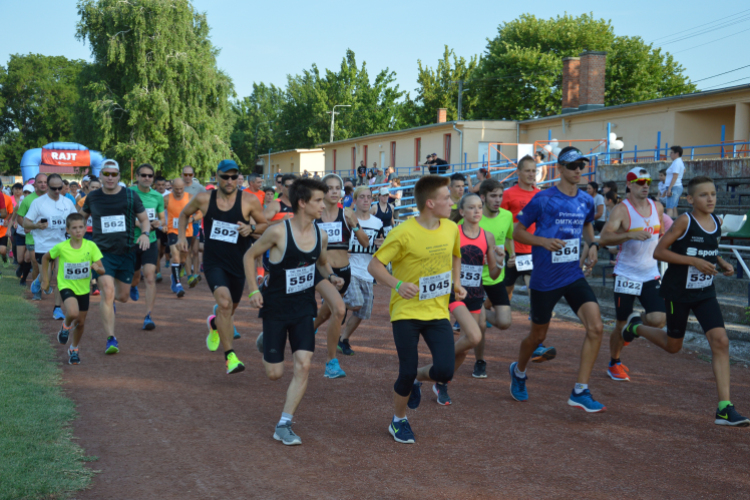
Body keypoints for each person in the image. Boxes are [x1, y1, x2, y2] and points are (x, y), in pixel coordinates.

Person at [621, 176, 749, 427]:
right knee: (673, 346)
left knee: (721, 341)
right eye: (703, 195)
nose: (710, 198)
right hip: (677, 292)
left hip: (704, 292)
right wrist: (693, 262)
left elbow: (710, 248)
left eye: (713, 194)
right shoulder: (684, 221)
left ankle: (725, 408)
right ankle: (635, 326)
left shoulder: (715, 221)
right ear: (690, 199)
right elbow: (660, 251)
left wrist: (720, 262)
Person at [243, 178, 343, 445]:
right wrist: (253, 290)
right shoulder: (278, 232)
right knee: (274, 374)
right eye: (318, 200)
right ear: (302, 203)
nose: (324, 204)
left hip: (302, 308)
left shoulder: (320, 235)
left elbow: (320, 262)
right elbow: (249, 256)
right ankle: (265, 341)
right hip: (275, 309)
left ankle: (284, 424)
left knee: (304, 364)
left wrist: (330, 276)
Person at [368, 175, 463, 444]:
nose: (451, 201)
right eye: (446, 197)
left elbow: (456, 255)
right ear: (430, 203)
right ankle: (398, 421)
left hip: (436, 311)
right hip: (406, 312)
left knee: (445, 371)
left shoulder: (451, 228)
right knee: (406, 370)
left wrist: (456, 281)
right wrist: (397, 284)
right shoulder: (403, 232)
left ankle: (418, 381)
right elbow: (374, 266)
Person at [510, 146, 604, 412]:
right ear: (559, 169)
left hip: (572, 274)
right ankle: (518, 371)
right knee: (537, 336)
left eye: (581, 166)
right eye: (572, 166)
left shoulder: (586, 200)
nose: (577, 171)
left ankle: (580, 390)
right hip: (545, 276)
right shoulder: (543, 199)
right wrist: (542, 241)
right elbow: (518, 232)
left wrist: (593, 244)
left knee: (596, 327)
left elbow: (588, 224)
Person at [178, 159, 268, 375]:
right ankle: (230, 357)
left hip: (238, 262)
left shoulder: (249, 200)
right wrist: (182, 236)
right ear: (216, 176)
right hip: (214, 261)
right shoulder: (203, 199)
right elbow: (184, 214)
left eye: (234, 176)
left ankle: (215, 322)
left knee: (229, 308)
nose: (230, 181)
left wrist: (251, 228)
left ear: (239, 177)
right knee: (226, 304)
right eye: (225, 176)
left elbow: (264, 225)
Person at [599, 168, 666, 382]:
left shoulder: (657, 207)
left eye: (648, 181)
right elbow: (604, 239)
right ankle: (614, 362)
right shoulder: (621, 210)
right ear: (629, 185)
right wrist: (629, 234)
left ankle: (634, 326)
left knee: (659, 319)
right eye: (639, 182)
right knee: (619, 324)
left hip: (650, 273)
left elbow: (662, 235)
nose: (645, 185)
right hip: (626, 275)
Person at [79, 159, 151, 355]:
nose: (110, 177)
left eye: (114, 174)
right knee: (107, 293)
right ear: (100, 175)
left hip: (127, 252)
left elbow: (144, 220)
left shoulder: (130, 195)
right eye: (106, 174)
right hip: (101, 253)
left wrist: (144, 234)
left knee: (122, 297)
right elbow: (80, 218)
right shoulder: (92, 197)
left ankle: (113, 303)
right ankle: (111, 338)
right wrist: (77, 240)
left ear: (119, 176)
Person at [440, 192, 503, 404]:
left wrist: (501, 263)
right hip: (453, 292)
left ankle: (442, 381)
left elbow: (493, 274)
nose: (477, 211)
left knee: (466, 346)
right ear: (461, 211)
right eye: (471, 207)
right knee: (472, 337)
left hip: (476, 294)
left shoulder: (488, 237)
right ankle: (438, 365)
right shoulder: (451, 232)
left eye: (479, 207)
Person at [501, 156, 556, 362]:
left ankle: (537, 344)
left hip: (534, 253)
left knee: (536, 295)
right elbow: (504, 227)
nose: (532, 174)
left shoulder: (541, 195)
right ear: (519, 172)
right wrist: (510, 251)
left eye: (534, 171)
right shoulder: (508, 195)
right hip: (512, 253)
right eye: (528, 171)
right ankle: (479, 313)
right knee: (502, 301)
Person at [312, 174, 368, 378]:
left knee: (327, 313)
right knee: (338, 310)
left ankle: (310, 329)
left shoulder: (347, 214)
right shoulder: (313, 215)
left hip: (343, 273)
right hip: (320, 272)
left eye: (338, 188)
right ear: (322, 191)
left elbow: (365, 242)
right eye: (330, 188)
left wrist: (354, 224)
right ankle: (331, 362)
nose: (335, 191)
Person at [41, 213, 105, 365]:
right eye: (74, 228)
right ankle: (65, 326)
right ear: (68, 230)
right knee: (73, 312)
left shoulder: (91, 246)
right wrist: (46, 279)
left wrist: (97, 267)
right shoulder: (62, 247)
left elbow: (102, 270)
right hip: (66, 285)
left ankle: (74, 349)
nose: (78, 231)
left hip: (83, 289)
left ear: (85, 228)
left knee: (81, 323)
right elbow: (45, 258)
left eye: (81, 227)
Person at [473, 179, 514, 378]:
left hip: (497, 276)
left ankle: (480, 313)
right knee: (480, 325)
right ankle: (480, 361)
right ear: (483, 197)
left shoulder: (507, 216)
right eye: (493, 196)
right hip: (475, 279)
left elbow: (508, 236)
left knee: (505, 322)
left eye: (500, 196)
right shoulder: (474, 218)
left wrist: (511, 254)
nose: (498, 200)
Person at [338, 186, 384, 355]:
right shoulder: (345, 219)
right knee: (357, 302)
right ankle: (338, 306)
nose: (366, 200)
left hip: (367, 271)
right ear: (355, 200)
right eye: (362, 197)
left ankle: (343, 339)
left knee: (364, 311)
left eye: (369, 197)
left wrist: (381, 246)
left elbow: (379, 246)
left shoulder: (377, 223)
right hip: (350, 269)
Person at [24, 173, 79, 318]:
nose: (57, 191)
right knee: (46, 282)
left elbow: (75, 219)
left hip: (62, 245)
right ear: (47, 187)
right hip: (43, 245)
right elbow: (25, 222)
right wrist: (36, 225)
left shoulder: (67, 203)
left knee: (60, 277)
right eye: (53, 188)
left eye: (59, 188)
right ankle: (39, 280)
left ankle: (57, 308)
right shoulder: (38, 203)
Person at [128, 164, 166, 330]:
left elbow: (162, 219)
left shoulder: (157, 196)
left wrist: (158, 223)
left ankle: (148, 315)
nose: (147, 178)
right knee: (135, 277)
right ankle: (134, 286)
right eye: (143, 175)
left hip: (150, 240)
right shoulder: (128, 193)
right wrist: (142, 223)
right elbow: (124, 216)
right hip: (132, 241)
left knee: (150, 276)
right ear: (137, 176)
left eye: (150, 176)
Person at [16, 173, 48, 297]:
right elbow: (19, 217)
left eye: (45, 182)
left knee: (49, 266)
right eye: (40, 182)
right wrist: (25, 226)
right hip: (33, 238)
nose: (43, 184)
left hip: (51, 237)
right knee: (35, 263)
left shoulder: (54, 198)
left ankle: (45, 281)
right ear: (35, 185)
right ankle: (37, 290)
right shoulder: (28, 199)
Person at [164, 178, 193, 297]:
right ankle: (177, 284)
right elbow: (158, 211)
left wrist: (193, 219)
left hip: (187, 232)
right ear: (172, 187)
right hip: (173, 231)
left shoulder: (190, 197)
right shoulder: (166, 199)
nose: (179, 191)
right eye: (176, 189)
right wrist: (162, 223)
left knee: (183, 258)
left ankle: (174, 275)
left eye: (181, 189)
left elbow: (200, 212)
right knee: (175, 258)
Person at [180, 166, 204, 285]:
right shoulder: (179, 187)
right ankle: (187, 271)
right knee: (186, 249)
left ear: (193, 175)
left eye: (190, 175)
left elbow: (206, 202)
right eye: (186, 174)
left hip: (195, 222)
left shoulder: (199, 188)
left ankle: (196, 273)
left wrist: (196, 217)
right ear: (182, 174)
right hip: (181, 223)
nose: (188, 177)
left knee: (195, 250)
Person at [664, 146, 685, 218]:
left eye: (671, 152)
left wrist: (669, 188)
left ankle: (669, 226)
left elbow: (675, 176)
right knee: (673, 208)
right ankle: (675, 225)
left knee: (669, 208)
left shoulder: (676, 162)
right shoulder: (679, 161)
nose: (670, 154)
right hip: (676, 186)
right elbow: (683, 170)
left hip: (674, 187)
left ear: (677, 153)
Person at [0, 180, 13, 266]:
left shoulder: (6, 198)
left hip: (2, 228)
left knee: (2, 250)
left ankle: (4, 257)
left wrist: (6, 220)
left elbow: (10, 212)